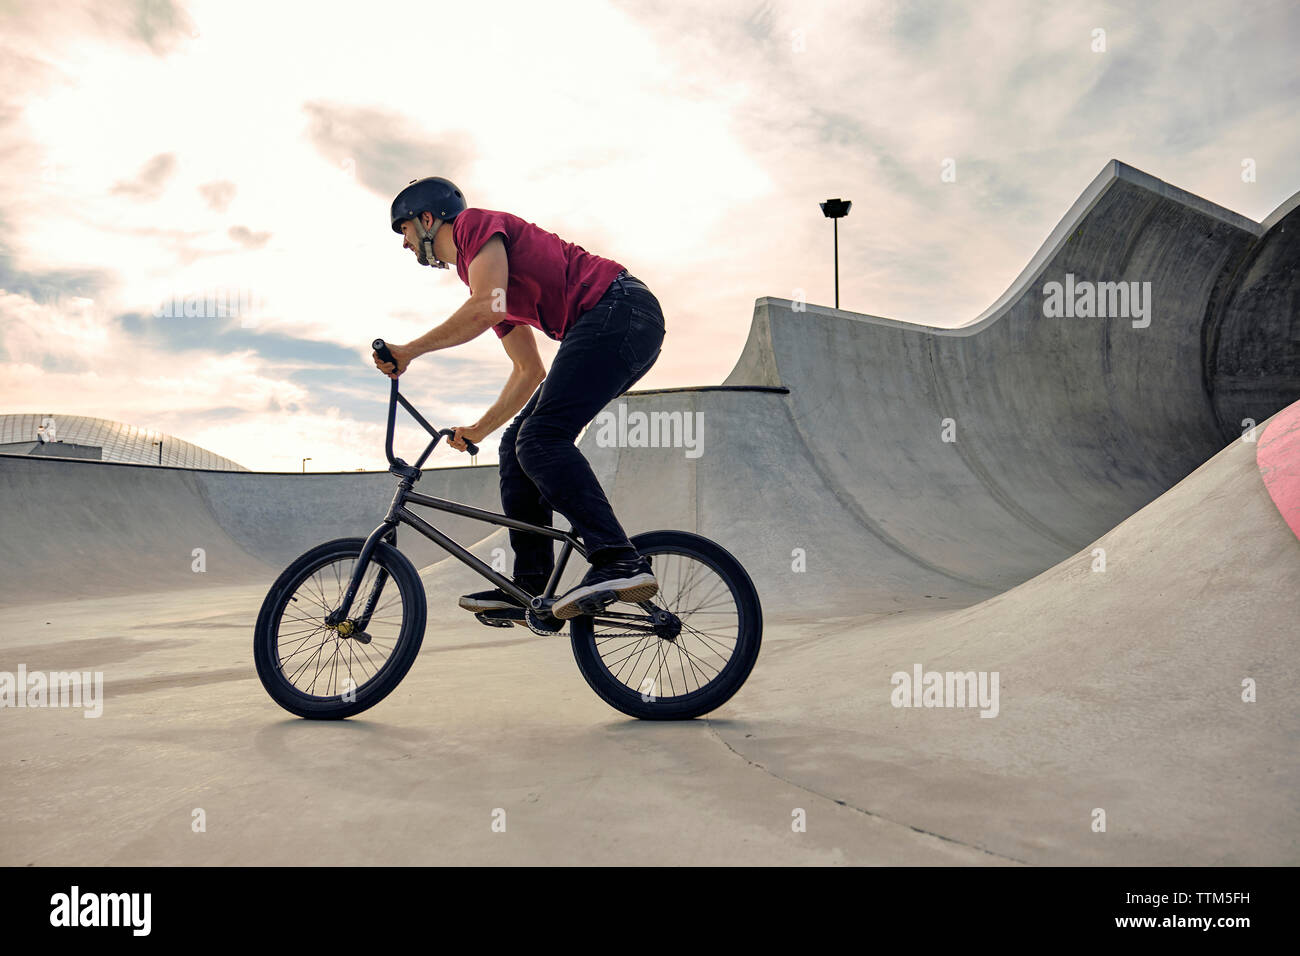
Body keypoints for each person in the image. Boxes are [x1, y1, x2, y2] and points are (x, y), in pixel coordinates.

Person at [376, 177, 665, 620]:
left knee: (541, 440)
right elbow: (529, 369)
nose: (405, 243)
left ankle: (617, 559)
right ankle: (529, 586)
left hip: (619, 309)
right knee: (515, 445)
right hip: (615, 325)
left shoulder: (475, 227)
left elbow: (486, 308)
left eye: (405, 230)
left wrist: (408, 350)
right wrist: (480, 429)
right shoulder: (481, 277)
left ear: (428, 219)